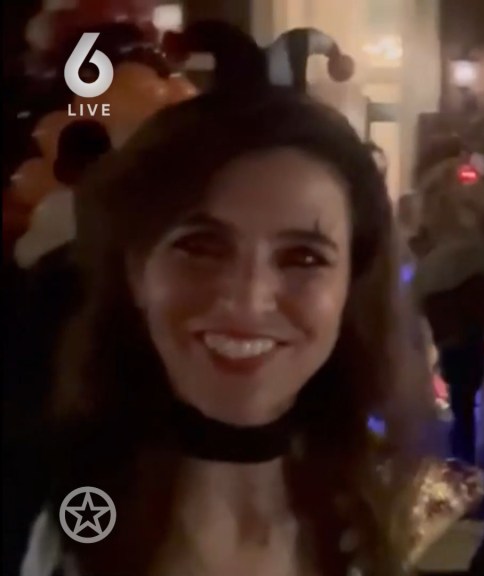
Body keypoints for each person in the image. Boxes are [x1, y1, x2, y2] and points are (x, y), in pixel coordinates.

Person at [19, 86, 437, 576]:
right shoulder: (44, 519)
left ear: (351, 286)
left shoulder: (382, 517)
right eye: (200, 246)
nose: (248, 299)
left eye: (303, 257)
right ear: (135, 271)